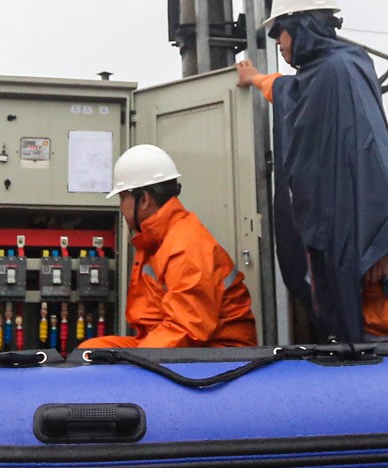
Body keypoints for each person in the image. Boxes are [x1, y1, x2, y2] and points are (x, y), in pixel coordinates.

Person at [236, 0, 388, 343]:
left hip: (366, 249)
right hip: (341, 238)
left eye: (280, 31)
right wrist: (256, 78)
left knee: (370, 338)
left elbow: (373, 158)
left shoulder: (340, 71)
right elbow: (291, 91)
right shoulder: (325, 73)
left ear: (300, 27)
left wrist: (380, 242)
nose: (278, 41)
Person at [79, 144, 258, 350]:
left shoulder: (185, 245)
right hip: (180, 345)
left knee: (103, 364)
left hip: (219, 353)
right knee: (91, 353)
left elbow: (186, 328)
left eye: (122, 198)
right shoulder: (159, 239)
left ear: (144, 199)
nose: (121, 207)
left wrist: (136, 364)